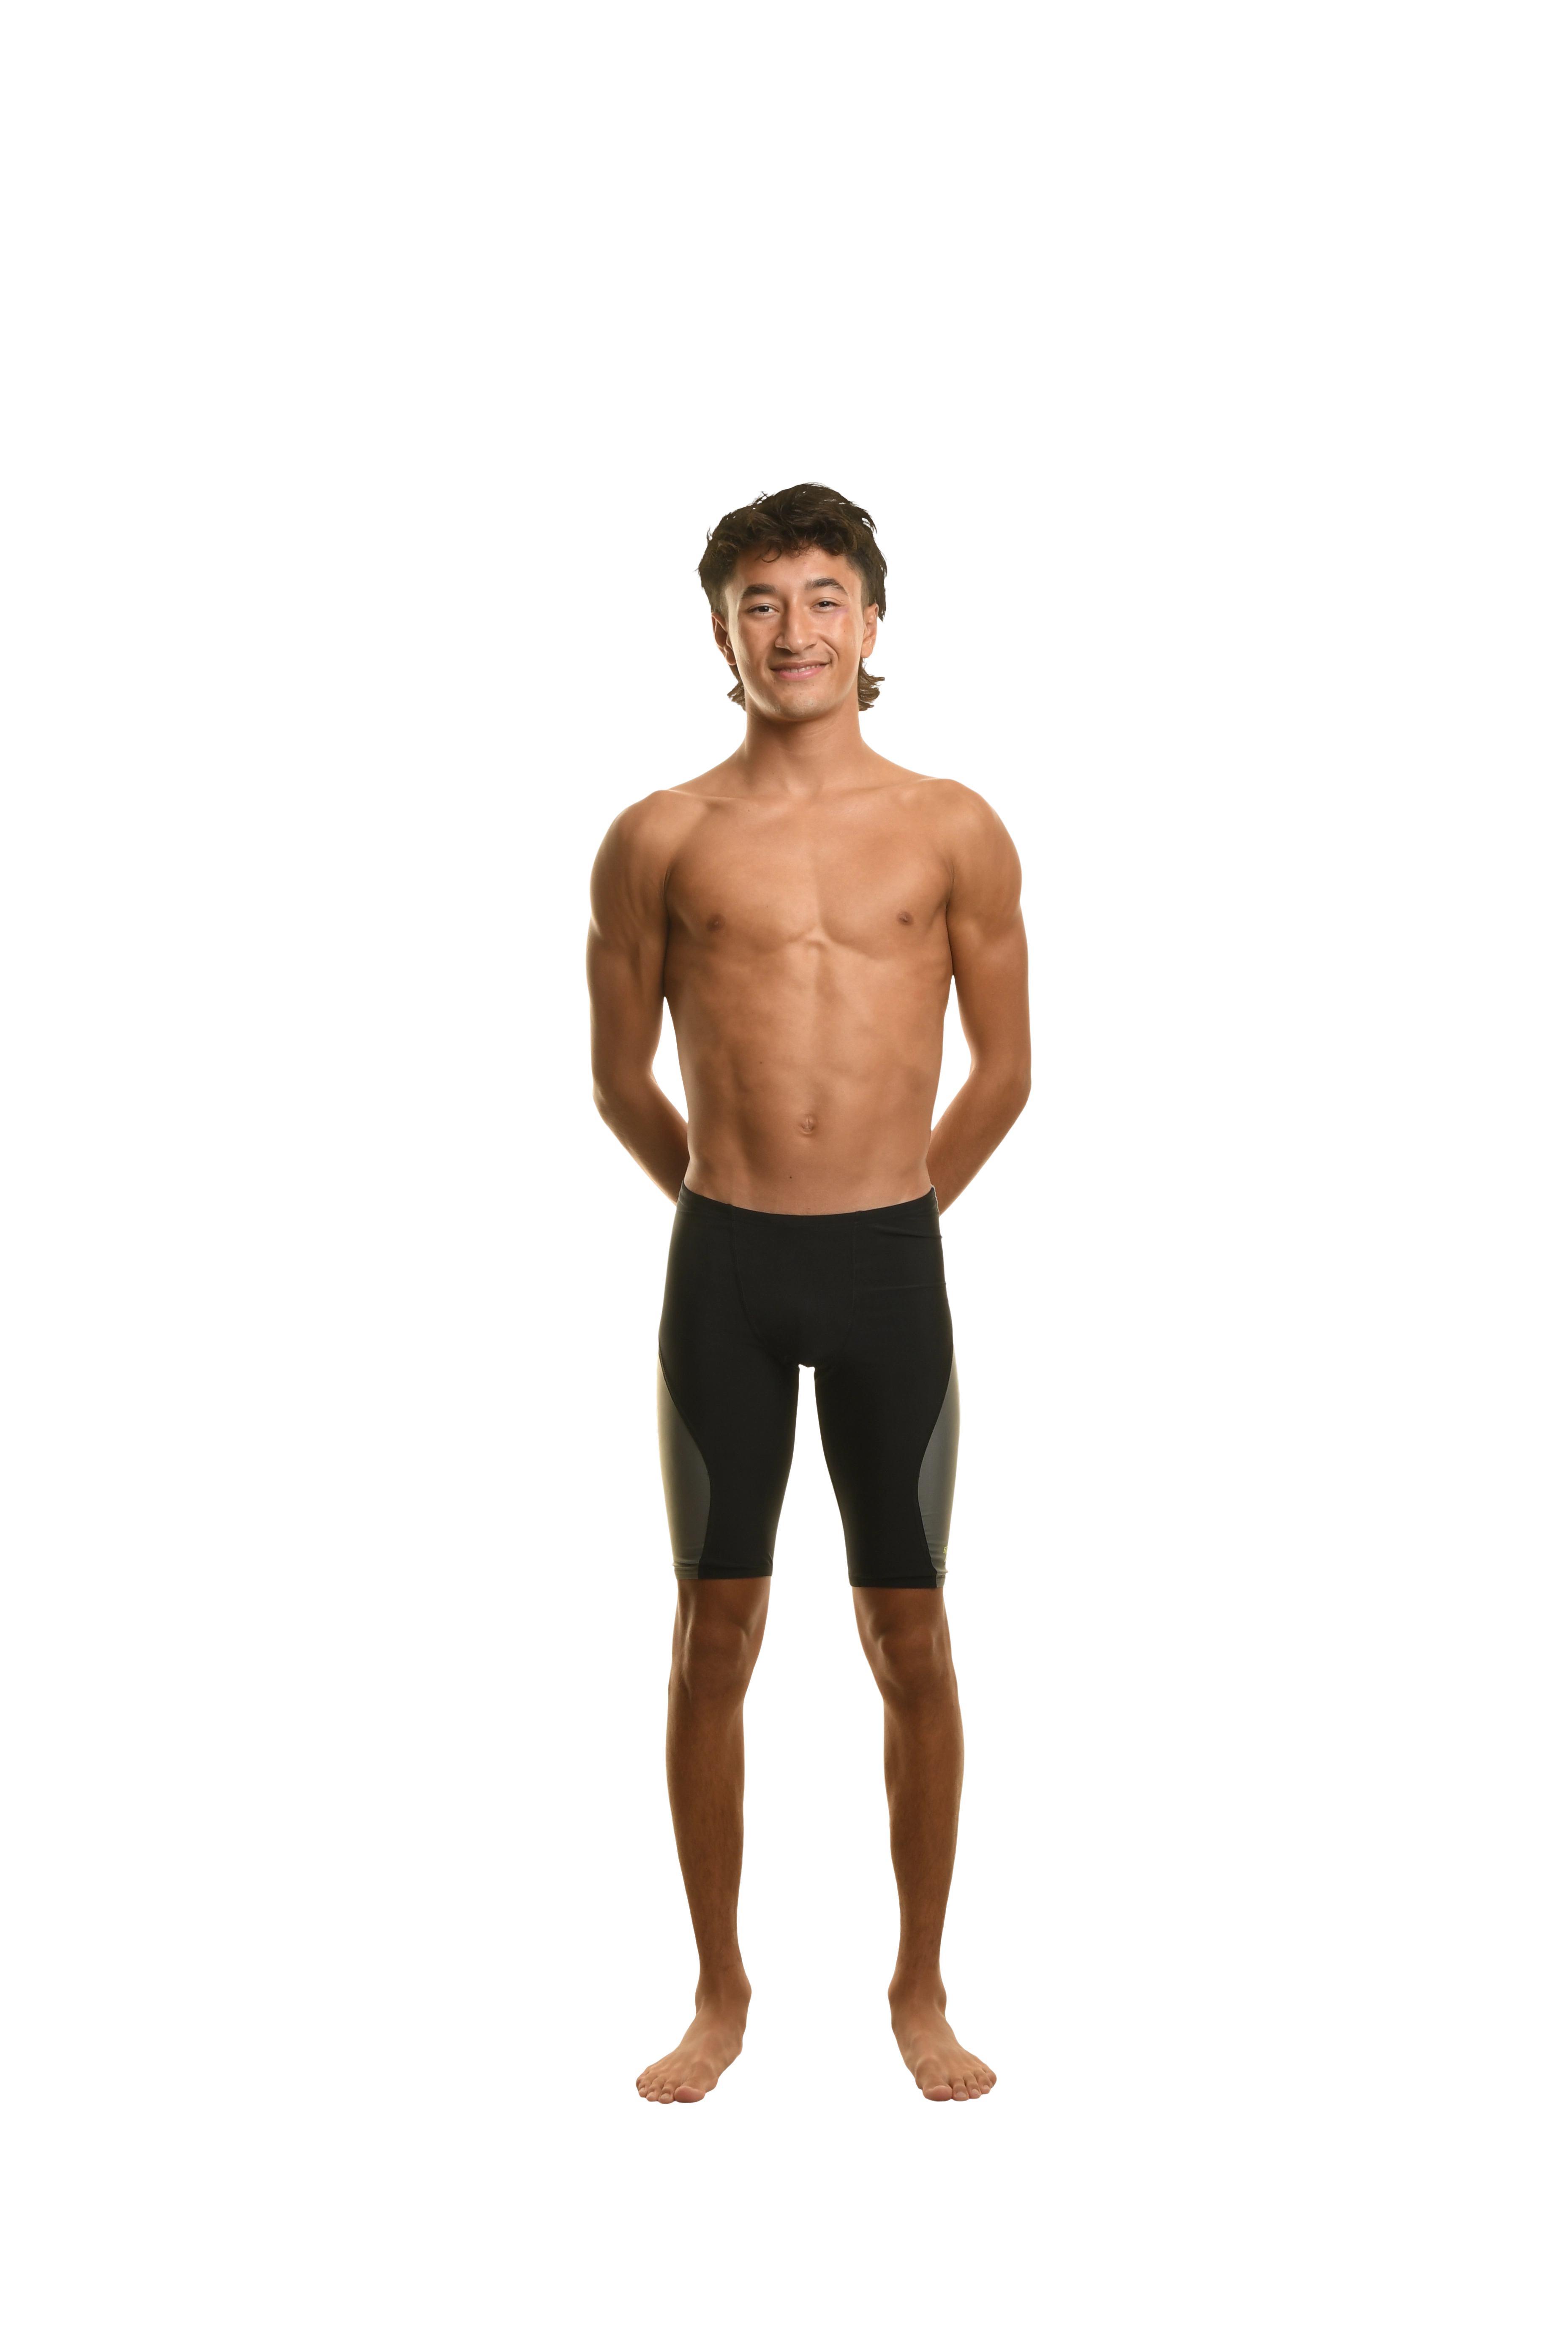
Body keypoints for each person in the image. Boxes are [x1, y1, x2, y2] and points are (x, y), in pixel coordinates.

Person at [587, 483, 1030, 2102]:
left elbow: (1008, 1072)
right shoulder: (659, 837)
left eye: (824, 598)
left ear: (872, 620)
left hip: (891, 1264)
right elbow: (619, 1079)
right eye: (761, 603)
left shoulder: (954, 827)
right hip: (725, 1265)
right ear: (721, 632)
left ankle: (919, 1991)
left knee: (912, 1632)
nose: (795, 632)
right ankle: (718, 1993)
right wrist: (734, 1218)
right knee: (715, 1634)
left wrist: (889, 1223)